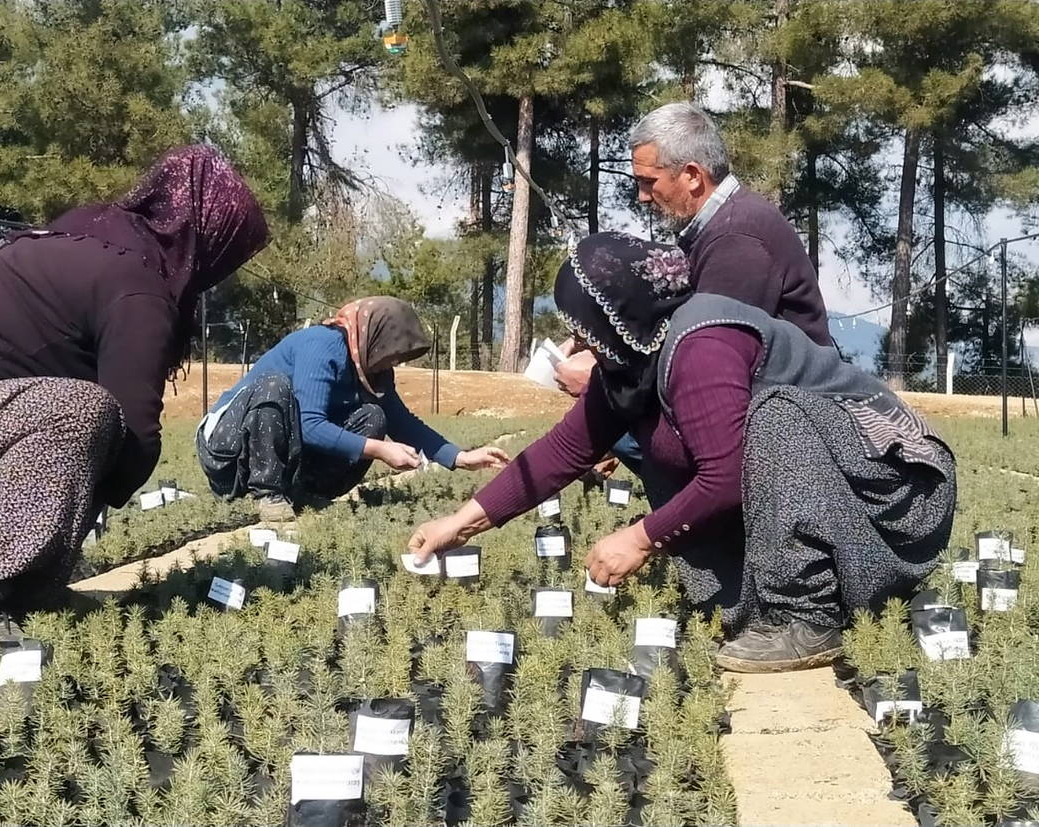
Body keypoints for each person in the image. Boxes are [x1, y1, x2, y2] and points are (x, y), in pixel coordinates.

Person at [408, 233, 956, 673]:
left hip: (893, 496)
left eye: (583, 329)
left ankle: (808, 618)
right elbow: (562, 451)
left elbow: (725, 477)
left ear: (614, 318)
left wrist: (639, 538)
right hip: (837, 494)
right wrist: (459, 523)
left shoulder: (702, 344)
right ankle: (776, 600)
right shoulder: (634, 360)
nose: (578, 343)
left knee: (773, 417)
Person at [0, 145, 270, 641]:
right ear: (210, 238)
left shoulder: (92, 236)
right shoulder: (138, 285)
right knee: (85, 414)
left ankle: (23, 593)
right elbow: (136, 430)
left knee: (78, 424)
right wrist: (89, 495)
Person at [554, 101, 831, 400]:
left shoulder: (737, 238)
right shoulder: (719, 226)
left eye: (648, 182)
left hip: (794, 410)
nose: (642, 197)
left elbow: (703, 356)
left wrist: (600, 382)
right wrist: (599, 346)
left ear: (693, 176)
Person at [198, 297, 509, 521]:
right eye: (394, 354)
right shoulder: (322, 346)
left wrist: (460, 457)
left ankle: (308, 494)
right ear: (376, 338)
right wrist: (379, 450)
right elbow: (310, 425)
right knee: (275, 386)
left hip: (283, 455)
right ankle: (267, 493)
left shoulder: (372, 370)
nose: (395, 363)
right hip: (231, 454)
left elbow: (402, 422)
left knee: (374, 416)